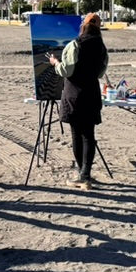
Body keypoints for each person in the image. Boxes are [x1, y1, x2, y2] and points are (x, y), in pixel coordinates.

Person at [48, 13, 108, 189]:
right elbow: (100, 73)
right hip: (92, 94)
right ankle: (86, 175)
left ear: (83, 26)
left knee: (76, 135)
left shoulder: (75, 45)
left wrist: (55, 63)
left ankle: (82, 175)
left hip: (74, 95)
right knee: (89, 135)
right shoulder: (102, 48)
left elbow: (67, 71)